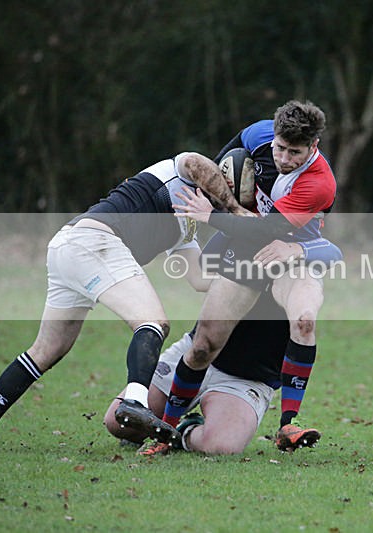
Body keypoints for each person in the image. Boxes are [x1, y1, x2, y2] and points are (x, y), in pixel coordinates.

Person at [0, 152, 245, 452]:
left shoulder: (187, 223)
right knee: (153, 323)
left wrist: (252, 270)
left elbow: (199, 279)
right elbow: (196, 162)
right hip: (93, 242)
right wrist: (235, 212)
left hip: (69, 248)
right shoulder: (182, 173)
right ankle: (134, 401)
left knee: (46, 350)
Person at [136, 100, 337, 455]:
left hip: (291, 252)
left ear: (313, 148)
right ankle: (167, 429)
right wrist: (222, 193)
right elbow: (221, 165)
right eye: (279, 148)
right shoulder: (259, 134)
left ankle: (288, 422)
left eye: (295, 152)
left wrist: (213, 214)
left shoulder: (319, 183)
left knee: (304, 320)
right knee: (202, 345)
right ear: (271, 136)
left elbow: (269, 232)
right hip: (244, 242)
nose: (285, 159)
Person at [103, 236, 343, 455]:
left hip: (247, 379)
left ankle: (185, 432)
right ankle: (161, 424)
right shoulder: (239, 234)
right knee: (118, 422)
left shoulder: (307, 255)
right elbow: (201, 274)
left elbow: (332, 252)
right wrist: (181, 232)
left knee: (220, 446)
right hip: (193, 354)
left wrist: (295, 250)